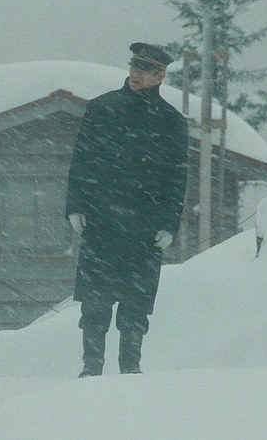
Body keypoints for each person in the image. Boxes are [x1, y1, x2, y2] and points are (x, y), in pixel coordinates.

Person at [66, 42, 189, 377]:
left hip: (145, 228)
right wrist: (76, 205)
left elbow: (176, 177)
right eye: (134, 67)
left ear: (160, 76)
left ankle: (130, 367)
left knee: (136, 301)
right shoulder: (101, 108)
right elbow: (82, 161)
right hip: (101, 222)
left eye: (145, 70)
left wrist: (169, 222)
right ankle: (91, 366)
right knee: (95, 300)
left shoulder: (171, 121)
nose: (136, 74)